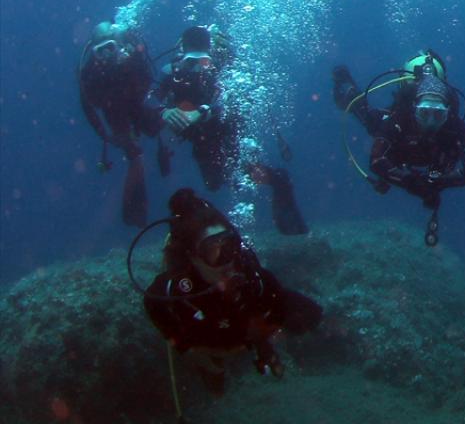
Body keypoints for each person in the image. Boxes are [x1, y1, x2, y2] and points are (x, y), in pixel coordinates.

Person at [143, 188, 322, 394]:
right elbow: (152, 302)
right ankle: (213, 368)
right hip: (207, 334)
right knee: (215, 386)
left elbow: (276, 296)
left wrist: (265, 339)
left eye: (230, 246)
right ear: (193, 257)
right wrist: (186, 347)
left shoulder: (248, 272)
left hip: (241, 329)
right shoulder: (181, 286)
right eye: (213, 251)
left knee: (309, 314)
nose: (227, 260)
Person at [147, 25, 309, 234]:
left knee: (243, 174)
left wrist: (204, 111)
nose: (197, 68)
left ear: (210, 55)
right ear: (182, 55)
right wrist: (163, 112)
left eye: (203, 61)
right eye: (191, 61)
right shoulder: (172, 71)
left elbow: (234, 97)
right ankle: (269, 185)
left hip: (227, 130)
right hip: (200, 138)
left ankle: (281, 188)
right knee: (213, 183)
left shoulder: (223, 66)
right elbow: (150, 98)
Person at [332, 50, 465, 246]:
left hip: (433, 160)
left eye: (438, 115)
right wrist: (410, 182)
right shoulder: (400, 117)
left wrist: (438, 183)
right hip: (401, 148)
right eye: (424, 113)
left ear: (448, 114)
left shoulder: (454, 125)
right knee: (371, 120)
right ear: (414, 109)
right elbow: (376, 160)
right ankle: (351, 91)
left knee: (439, 163)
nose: (430, 123)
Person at [78, 21, 166, 226]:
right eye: (101, 51)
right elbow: (88, 106)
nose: (107, 55)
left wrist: (131, 61)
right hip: (113, 109)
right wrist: (104, 135)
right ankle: (135, 213)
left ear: (119, 45)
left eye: (111, 48)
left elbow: (148, 80)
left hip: (136, 102)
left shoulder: (132, 57)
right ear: (93, 52)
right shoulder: (89, 69)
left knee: (160, 126)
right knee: (134, 154)